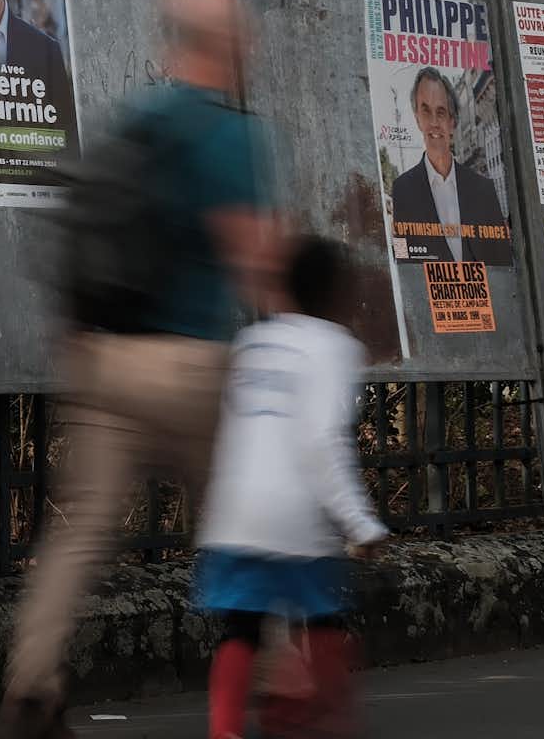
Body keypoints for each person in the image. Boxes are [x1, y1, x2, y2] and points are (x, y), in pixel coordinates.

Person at [0, 0, 282, 739]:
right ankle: (285, 677)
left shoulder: (135, 121)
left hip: (102, 357)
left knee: (82, 529)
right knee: (241, 519)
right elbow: (253, 259)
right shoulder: (233, 136)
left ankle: (32, 681)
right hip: (190, 365)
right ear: (223, 49)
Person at [196, 235, 390, 739]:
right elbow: (322, 442)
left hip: (235, 510)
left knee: (241, 627)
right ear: (336, 294)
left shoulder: (252, 342)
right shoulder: (336, 348)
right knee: (323, 619)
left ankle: (224, 731)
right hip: (296, 517)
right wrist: (359, 521)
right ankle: (331, 721)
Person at [386, 68, 512, 266]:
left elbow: (503, 261)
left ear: (452, 122)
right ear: (417, 118)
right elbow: (403, 259)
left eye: (441, 112)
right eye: (426, 111)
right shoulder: (402, 190)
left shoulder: (484, 189)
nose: (434, 122)